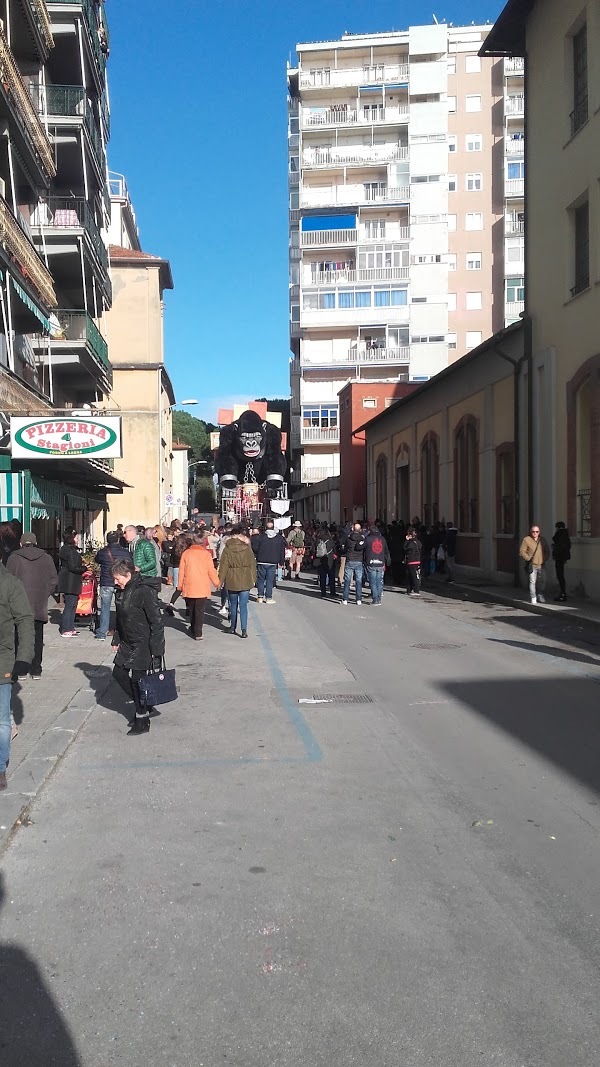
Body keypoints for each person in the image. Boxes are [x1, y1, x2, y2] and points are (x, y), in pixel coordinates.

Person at [111, 558, 165, 735]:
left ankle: (142, 720)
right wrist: (116, 639)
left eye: (118, 578)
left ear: (128, 575)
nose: (115, 582)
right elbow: (120, 617)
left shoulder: (144, 591)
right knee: (118, 673)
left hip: (143, 642)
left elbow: (156, 622)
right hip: (127, 641)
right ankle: (144, 704)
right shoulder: (122, 591)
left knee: (138, 681)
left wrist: (156, 651)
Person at [0, 562, 34, 788]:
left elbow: (24, 620)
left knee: (2, 719)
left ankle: (0, 767)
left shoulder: (10, 583)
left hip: (2, 659)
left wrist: (24, 657)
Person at [6, 532, 57, 677]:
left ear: (21, 544)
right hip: (39, 605)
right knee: (38, 638)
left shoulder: (14, 558)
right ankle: (36, 670)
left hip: (18, 606)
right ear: (35, 543)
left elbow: (8, 580)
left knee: (19, 637)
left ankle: (20, 671)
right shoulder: (46, 558)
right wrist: (44, 593)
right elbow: (54, 579)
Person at [177, 535, 220, 640]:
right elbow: (211, 570)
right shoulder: (206, 554)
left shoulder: (186, 553)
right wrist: (216, 582)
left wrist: (180, 585)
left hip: (189, 585)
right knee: (200, 610)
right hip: (202, 585)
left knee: (191, 609)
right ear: (202, 543)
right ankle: (198, 633)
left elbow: (181, 571)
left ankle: (192, 628)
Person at [218, 525, 256, 638]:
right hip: (246, 579)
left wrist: (220, 581)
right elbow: (252, 565)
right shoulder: (247, 548)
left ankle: (233, 627)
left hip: (232, 579)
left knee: (233, 605)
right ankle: (244, 630)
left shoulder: (227, 549)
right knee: (243, 606)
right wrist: (254, 579)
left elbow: (224, 566)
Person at [94, 531, 130, 640]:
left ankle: (102, 633)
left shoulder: (103, 552)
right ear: (118, 540)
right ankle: (120, 631)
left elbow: (97, 560)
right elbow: (130, 563)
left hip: (106, 582)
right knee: (121, 607)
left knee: (105, 607)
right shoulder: (125, 552)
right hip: (120, 582)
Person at [57, 531, 86, 636]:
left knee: (72, 604)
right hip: (71, 580)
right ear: (71, 538)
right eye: (76, 537)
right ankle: (66, 628)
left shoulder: (65, 549)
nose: (78, 539)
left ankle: (70, 627)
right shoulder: (71, 551)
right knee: (70, 605)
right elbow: (74, 567)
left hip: (69, 579)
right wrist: (84, 568)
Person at [255, 519, 286, 603]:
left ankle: (260, 597)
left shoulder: (261, 537)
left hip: (261, 560)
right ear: (273, 528)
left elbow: (256, 548)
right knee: (270, 580)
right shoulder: (279, 539)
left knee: (260, 579)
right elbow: (281, 551)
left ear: (265, 528)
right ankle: (268, 597)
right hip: (273, 561)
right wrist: (281, 561)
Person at [519, 522, 550, 604]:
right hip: (532, 565)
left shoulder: (542, 540)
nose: (535, 533)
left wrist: (544, 559)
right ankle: (533, 597)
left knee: (543, 580)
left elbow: (547, 551)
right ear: (530, 532)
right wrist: (528, 558)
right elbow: (522, 551)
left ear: (539, 532)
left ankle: (540, 594)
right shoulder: (526, 540)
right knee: (532, 582)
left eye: (537, 532)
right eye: (533, 531)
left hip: (541, 564)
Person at [164, 532, 193, 617]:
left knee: (178, 588)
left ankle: (172, 604)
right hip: (184, 568)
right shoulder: (186, 549)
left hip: (176, 568)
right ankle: (187, 608)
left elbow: (172, 559)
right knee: (185, 588)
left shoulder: (174, 549)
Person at [123, 524, 159, 590]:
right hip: (138, 578)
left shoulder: (144, 544)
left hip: (147, 578)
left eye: (125, 532)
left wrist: (140, 568)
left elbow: (153, 562)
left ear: (131, 531)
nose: (124, 535)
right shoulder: (131, 545)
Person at [363, 523, 391, 606]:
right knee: (379, 581)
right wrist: (387, 559)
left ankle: (375, 599)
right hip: (380, 562)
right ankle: (378, 599)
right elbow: (386, 551)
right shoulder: (383, 539)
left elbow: (363, 548)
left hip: (371, 562)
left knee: (372, 582)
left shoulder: (368, 539)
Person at [341, 521, 366, 605]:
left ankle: (345, 599)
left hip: (350, 559)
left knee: (347, 580)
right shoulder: (362, 538)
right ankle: (358, 599)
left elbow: (345, 549)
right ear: (360, 530)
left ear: (353, 529)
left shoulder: (349, 538)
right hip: (359, 560)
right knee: (358, 580)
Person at [315, 522, 337, 599]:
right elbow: (335, 550)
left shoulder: (318, 540)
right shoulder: (330, 541)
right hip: (329, 560)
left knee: (322, 576)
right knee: (331, 577)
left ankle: (323, 592)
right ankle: (332, 592)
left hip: (320, 560)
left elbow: (314, 550)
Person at [551, 521, 571, 602]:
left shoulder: (560, 534)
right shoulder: (565, 535)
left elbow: (561, 547)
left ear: (558, 527)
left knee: (560, 576)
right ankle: (562, 593)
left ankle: (563, 594)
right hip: (562, 558)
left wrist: (555, 549)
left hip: (559, 558)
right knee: (560, 576)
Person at [404, 526, 422, 597]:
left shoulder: (410, 542)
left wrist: (407, 540)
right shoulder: (418, 542)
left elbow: (405, 548)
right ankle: (410, 589)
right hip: (417, 560)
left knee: (413, 576)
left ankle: (415, 590)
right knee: (413, 575)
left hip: (411, 560)